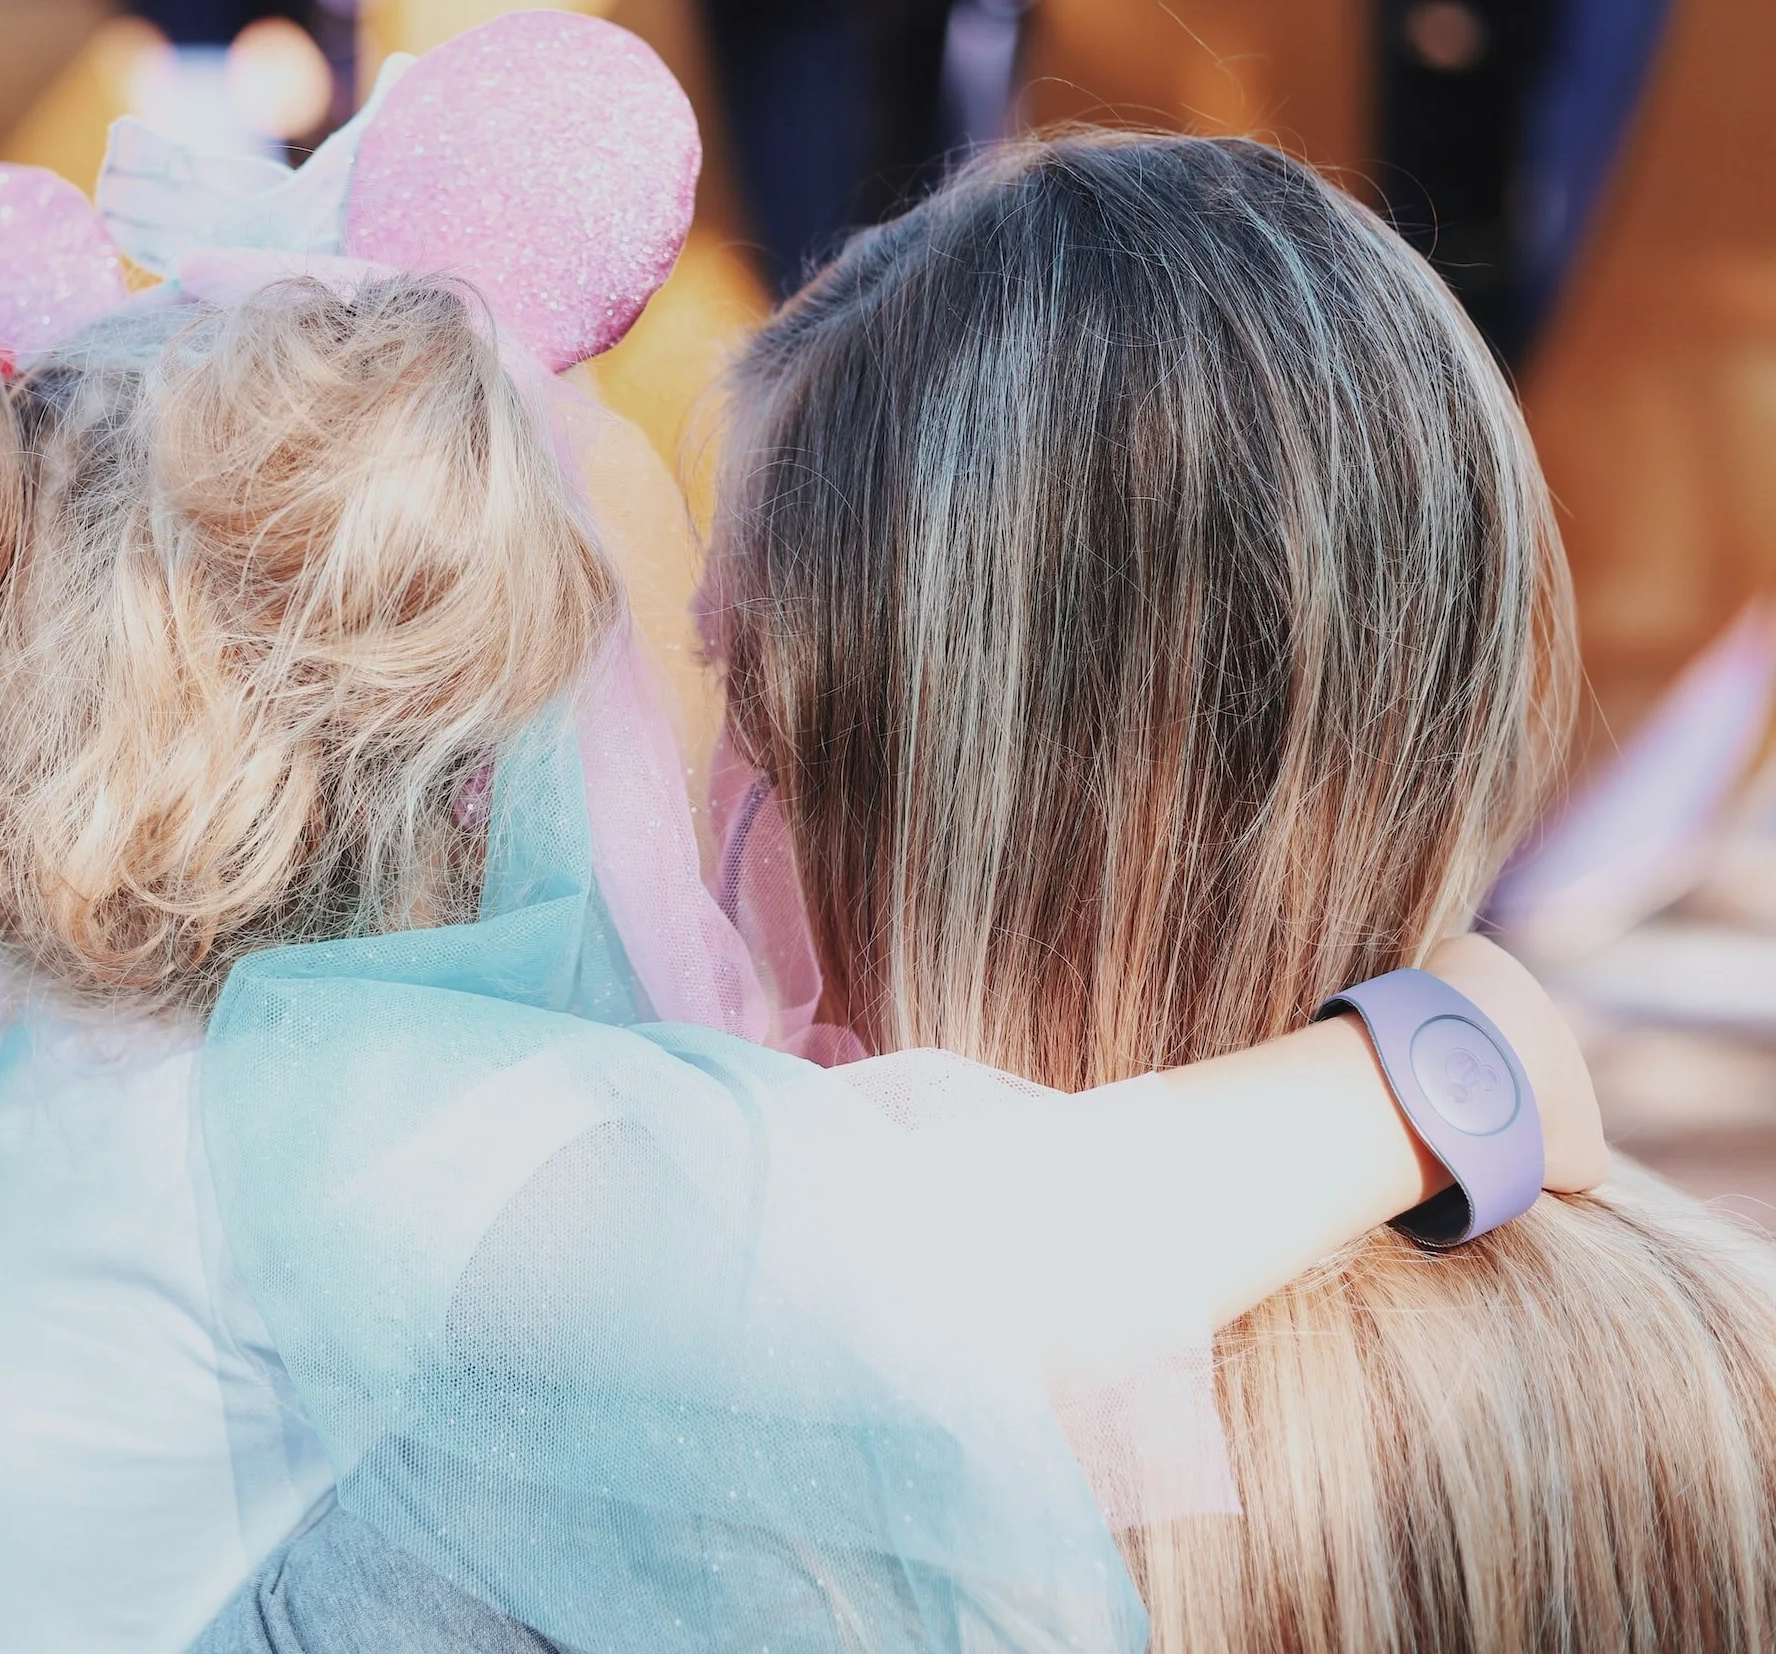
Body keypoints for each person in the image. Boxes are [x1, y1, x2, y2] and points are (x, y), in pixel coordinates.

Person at [0, 18, 1603, 1654]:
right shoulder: (346, 1114)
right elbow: (969, 1277)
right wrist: (1436, 1065)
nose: (669, 786)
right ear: (460, 759)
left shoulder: (100, 1070)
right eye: (635, 705)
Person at [700, 131, 1776, 1650]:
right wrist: (1439, 1071)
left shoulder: (718, 1449)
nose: (695, 818)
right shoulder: (1718, 1391)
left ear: (959, 801)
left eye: (744, 701)